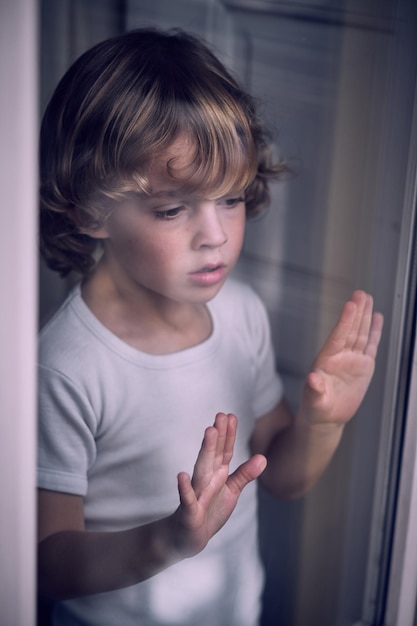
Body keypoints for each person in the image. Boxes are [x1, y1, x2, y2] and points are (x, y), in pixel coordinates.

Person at [37, 28, 384, 626]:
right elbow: (42, 562)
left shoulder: (241, 314)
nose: (217, 235)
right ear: (88, 210)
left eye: (231, 198)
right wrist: (168, 540)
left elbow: (281, 475)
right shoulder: (64, 367)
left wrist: (323, 422)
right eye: (174, 209)